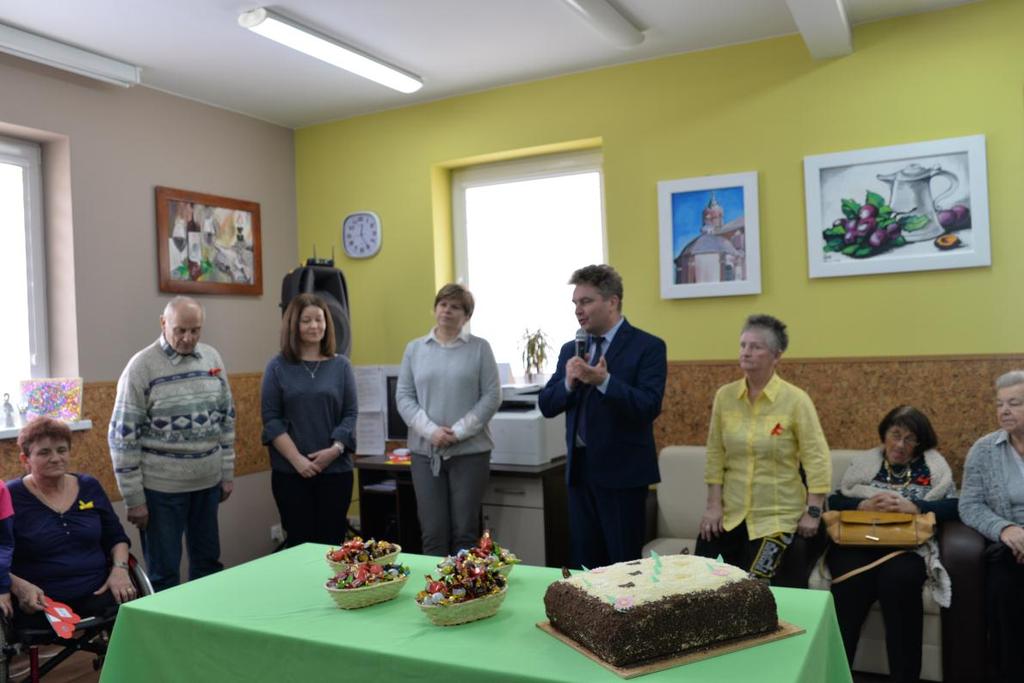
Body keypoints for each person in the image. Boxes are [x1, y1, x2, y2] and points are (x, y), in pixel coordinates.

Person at [538, 264, 667, 569]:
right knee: (585, 566)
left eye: (586, 302)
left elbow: (648, 406)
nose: (578, 311)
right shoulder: (573, 348)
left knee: (622, 568)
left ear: (612, 301)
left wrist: (604, 382)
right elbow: (546, 404)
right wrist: (569, 383)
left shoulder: (647, 347)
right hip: (579, 474)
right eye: (575, 304)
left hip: (623, 476)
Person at [108, 296, 235, 591]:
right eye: (180, 330)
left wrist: (226, 474)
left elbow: (227, 419)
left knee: (209, 566)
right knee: (164, 574)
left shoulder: (212, 359)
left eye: (195, 330)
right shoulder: (142, 367)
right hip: (161, 491)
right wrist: (134, 498)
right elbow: (122, 436)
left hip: (207, 485)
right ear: (164, 323)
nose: (188, 338)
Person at [696, 314, 830, 586]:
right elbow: (715, 453)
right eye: (743, 345)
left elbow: (816, 457)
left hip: (778, 518)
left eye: (756, 347)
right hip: (731, 515)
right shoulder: (726, 396)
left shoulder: (795, 400)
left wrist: (813, 511)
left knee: (760, 588)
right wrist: (713, 506)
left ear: (776, 355)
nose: (746, 352)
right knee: (704, 584)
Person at [827, 406, 957, 683]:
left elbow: (955, 507)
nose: (900, 444)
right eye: (895, 434)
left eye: (909, 439)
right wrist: (863, 504)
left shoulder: (933, 467)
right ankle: (835, 675)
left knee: (898, 581)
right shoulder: (864, 462)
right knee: (851, 584)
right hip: (858, 541)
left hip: (905, 547)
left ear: (920, 442)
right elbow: (835, 501)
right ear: (884, 434)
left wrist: (915, 506)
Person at [396, 283, 501, 555]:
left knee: (465, 533)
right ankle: (436, 594)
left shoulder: (480, 349)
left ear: (466, 316)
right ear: (435, 309)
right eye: (443, 304)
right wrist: (432, 432)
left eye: (456, 307)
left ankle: (464, 594)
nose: (447, 310)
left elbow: (491, 396)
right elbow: (405, 397)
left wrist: (457, 432)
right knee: (432, 532)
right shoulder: (415, 349)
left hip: (470, 453)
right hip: (425, 453)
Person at [10, 418, 136, 628]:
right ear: (25, 459)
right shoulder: (11, 495)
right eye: (44, 452)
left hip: (99, 589)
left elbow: (117, 537)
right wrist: (18, 586)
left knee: (132, 611)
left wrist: (120, 570)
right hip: (40, 599)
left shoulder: (89, 486)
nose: (56, 458)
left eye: (62, 450)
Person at [261, 293, 358, 547]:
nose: (315, 326)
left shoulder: (342, 366)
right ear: (294, 325)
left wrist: (334, 450)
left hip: (336, 472)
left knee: (332, 542)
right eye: (307, 321)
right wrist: (297, 460)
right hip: (291, 474)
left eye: (320, 319)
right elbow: (271, 420)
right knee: (299, 543)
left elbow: (350, 414)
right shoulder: (277, 367)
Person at [959, 370, 1024, 683]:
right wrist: (1004, 529)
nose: (1005, 410)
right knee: (1005, 582)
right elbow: (969, 505)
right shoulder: (984, 450)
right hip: (1010, 547)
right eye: (1000, 404)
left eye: (1015, 403)